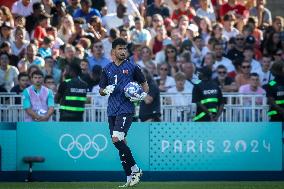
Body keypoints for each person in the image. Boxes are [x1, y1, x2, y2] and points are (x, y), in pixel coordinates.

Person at [99, 38, 149, 187]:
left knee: (116, 138)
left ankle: (136, 169)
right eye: (120, 49)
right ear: (113, 51)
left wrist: (141, 95)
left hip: (126, 109)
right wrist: (105, 90)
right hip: (112, 110)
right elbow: (101, 90)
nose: (123, 51)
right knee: (120, 142)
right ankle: (129, 177)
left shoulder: (133, 68)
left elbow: (145, 86)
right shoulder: (106, 68)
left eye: (125, 49)